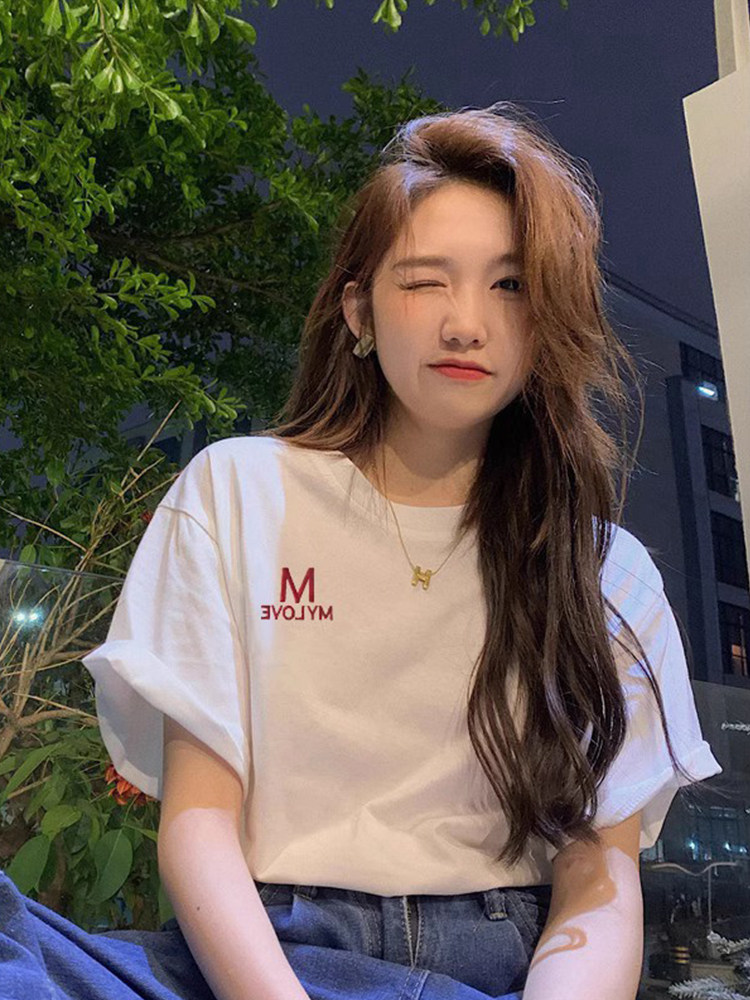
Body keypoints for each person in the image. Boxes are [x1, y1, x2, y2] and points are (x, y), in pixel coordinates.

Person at [0, 102, 723, 1000]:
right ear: (360, 311)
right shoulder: (238, 492)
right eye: (425, 282)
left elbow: (598, 874)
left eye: (510, 285)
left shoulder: (602, 569)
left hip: (500, 967)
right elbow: (199, 821)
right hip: (261, 955)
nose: (466, 324)